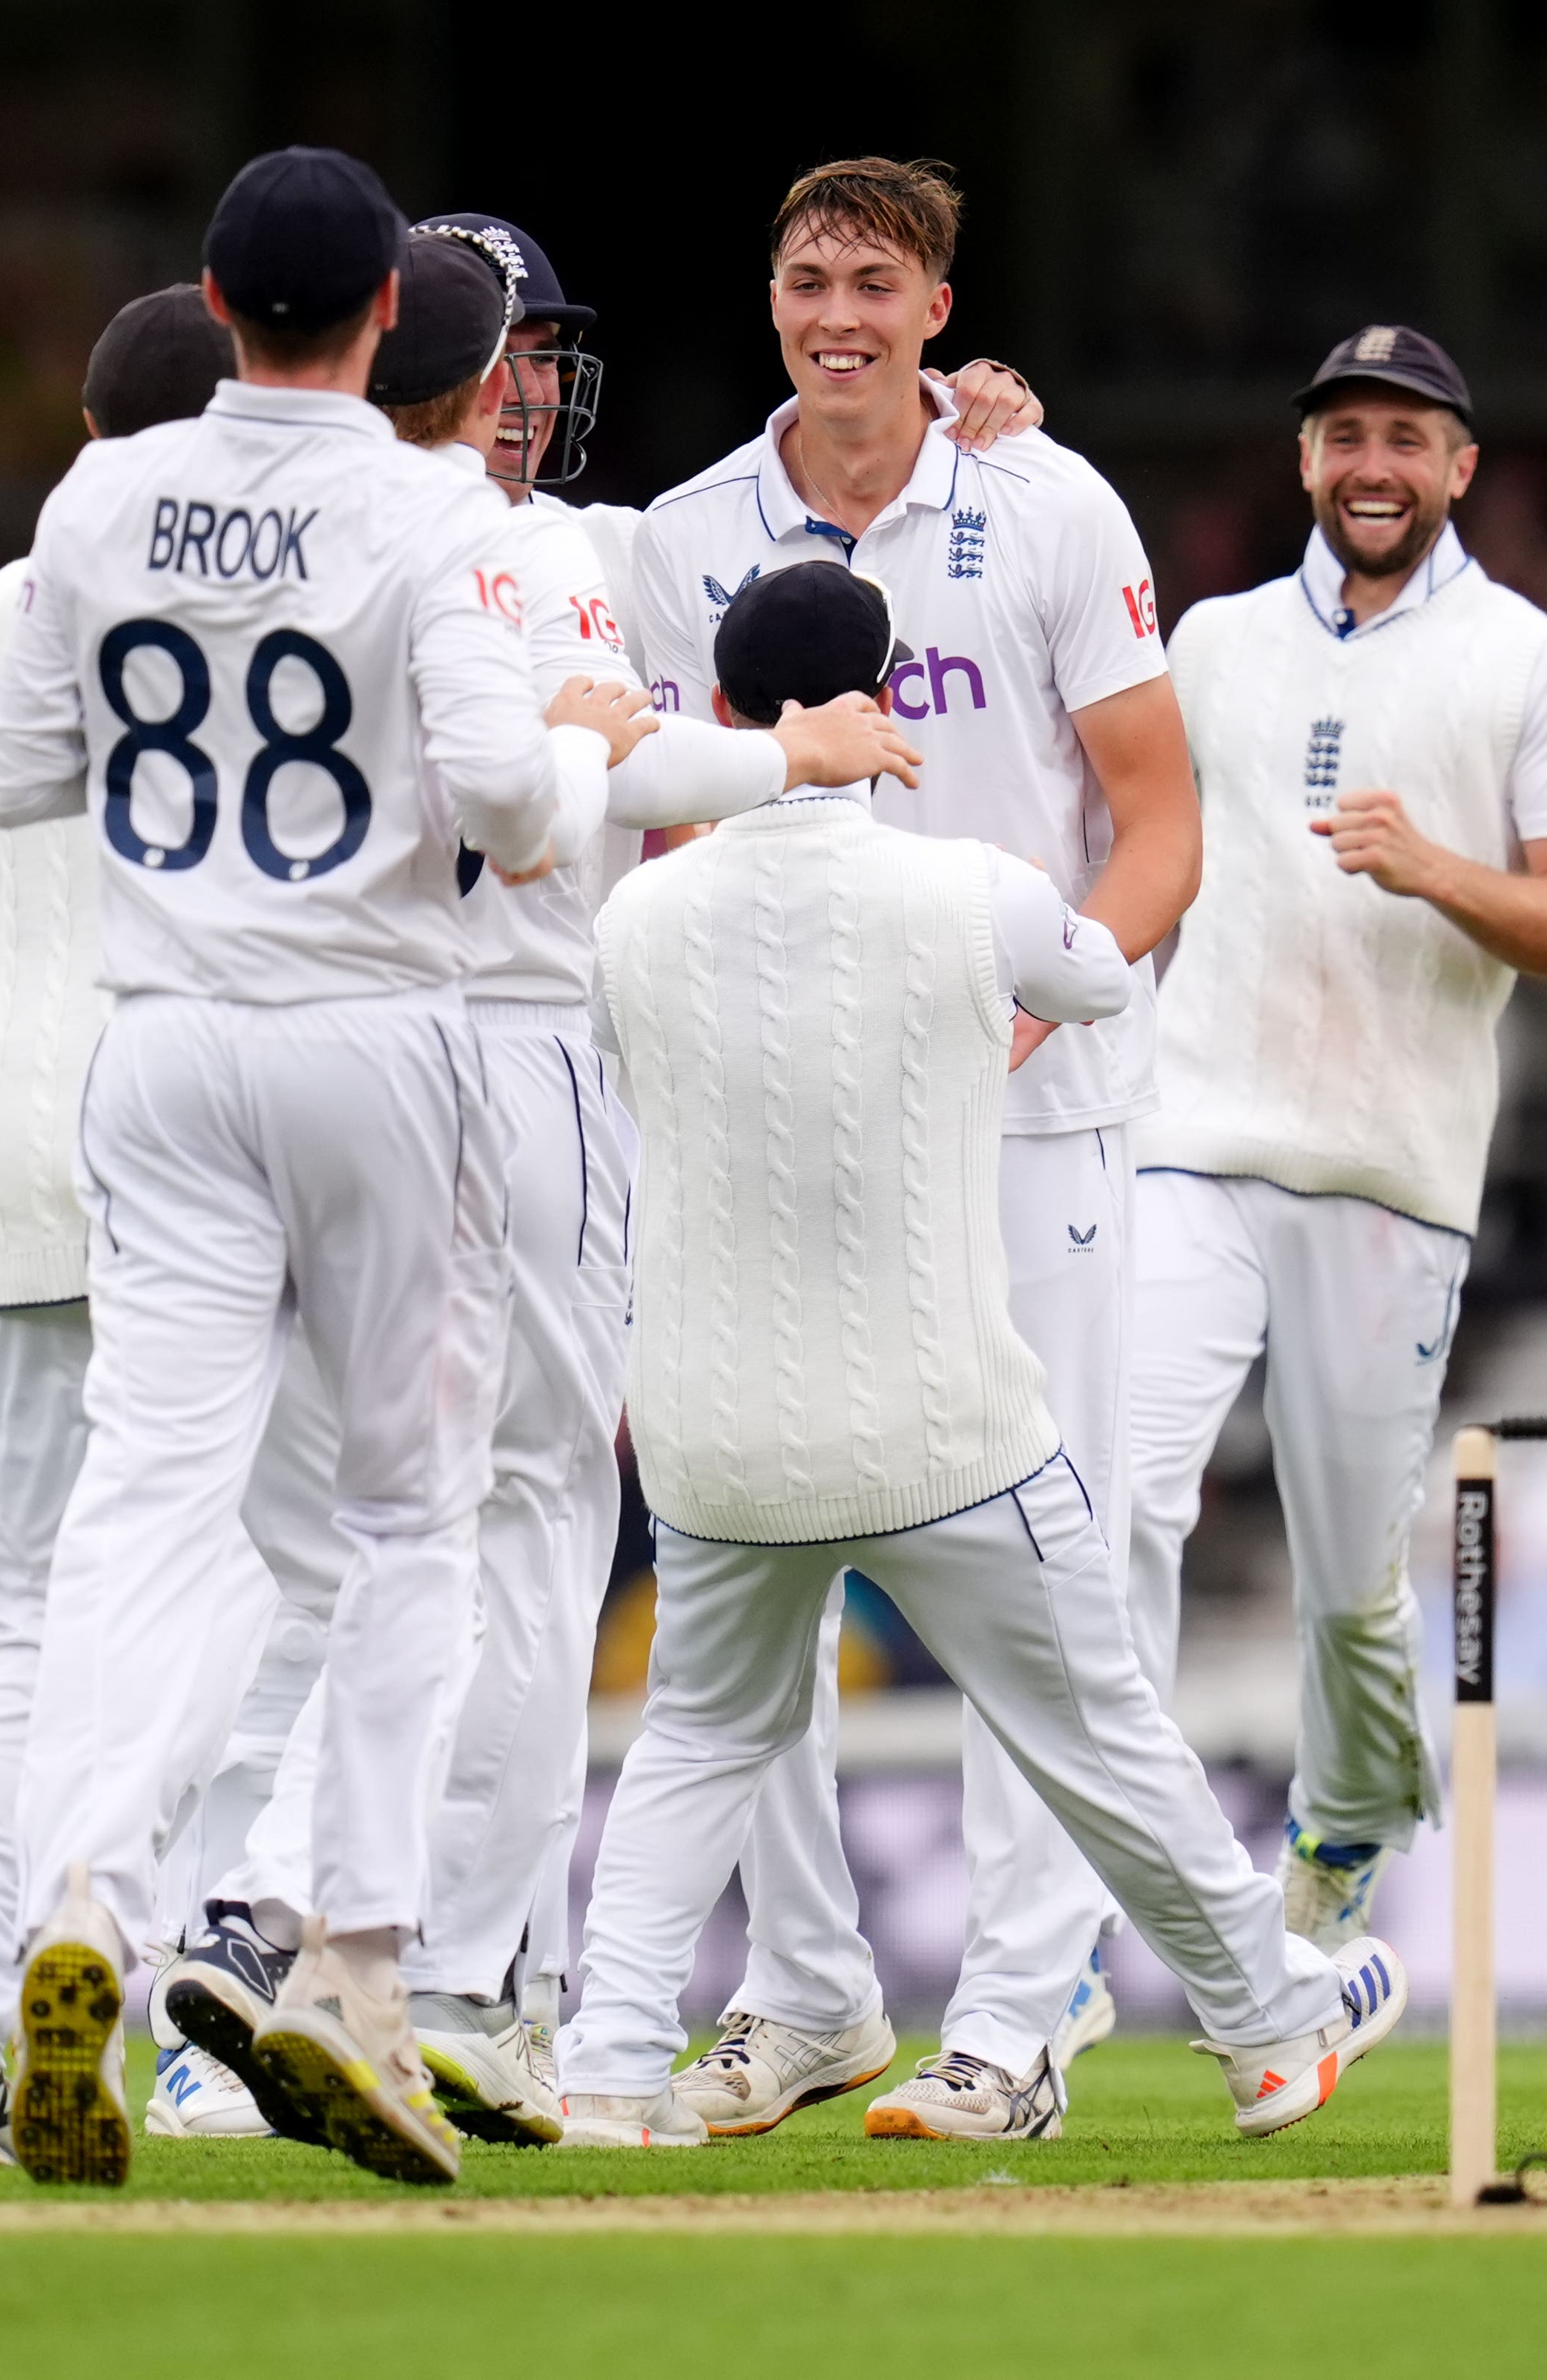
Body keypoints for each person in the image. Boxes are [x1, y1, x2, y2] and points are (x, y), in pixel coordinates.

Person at [143, 222, 920, 2154]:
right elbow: (601, 771)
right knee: (522, 1530)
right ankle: (446, 1971)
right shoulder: (520, 552)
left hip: (304, 1060)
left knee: (346, 1538)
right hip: (508, 1057)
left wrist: (968, 416)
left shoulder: (306, 542)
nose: (531, 393)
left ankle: (272, 1935)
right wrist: (778, 753)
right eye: (511, 357)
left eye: (550, 357)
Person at [0, 147, 655, 2189]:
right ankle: (353, 1959)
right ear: (381, 313)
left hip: (161, 1040)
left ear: (211, 293)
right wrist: (601, 737)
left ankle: (84, 1892)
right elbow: (518, 809)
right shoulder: (420, 505)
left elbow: (15, 770)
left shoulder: (91, 500)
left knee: (156, 1507)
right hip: (377, 1028)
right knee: (409, 1512)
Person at [553, 561, 1405, 2148]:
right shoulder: (971, 890)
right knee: (1097, 1731)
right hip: (939, 1424)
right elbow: (1091, 978)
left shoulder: (635, 918)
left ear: (730, 714)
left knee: (697, 1740)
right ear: (885, 697)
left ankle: (607, 2066)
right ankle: (1274, 2023)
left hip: (717, 1435)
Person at [616, 157, 1202, 2145]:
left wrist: (1050, 990)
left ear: (938, 309)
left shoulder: (1051, 502)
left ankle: (1019, 2014)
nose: (835, 315)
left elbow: (1158, 822)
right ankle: (803, 1992)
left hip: (1033, 1105)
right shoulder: (685, 532)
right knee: (754, 1532)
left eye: (874, 282)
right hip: (793, 1123)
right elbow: (662, 818)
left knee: (1056, 1575)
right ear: (767, 301)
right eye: (803, 282)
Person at [1119, 321, 1547, 1956]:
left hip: (1391, 1165)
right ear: (1303, 460)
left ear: (1460, 468)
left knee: (1347, 1583)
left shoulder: (1532, 660)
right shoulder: (1209, 644)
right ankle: (1072, 1914)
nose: (1372, 466)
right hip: (1193, 1134)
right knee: (1124, 1496)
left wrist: (1435, 871)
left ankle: (1345, 1818)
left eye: (1405, 439)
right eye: (1344, 436)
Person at [0, 282, 243, 2172]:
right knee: (259, 1602)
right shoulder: (265, 586)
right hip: (201, 1161)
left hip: (29, 1163)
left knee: (21, 1621)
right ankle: (156, 1963)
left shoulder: (9, 598)